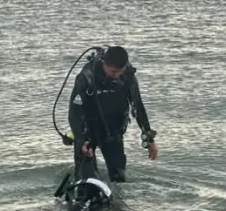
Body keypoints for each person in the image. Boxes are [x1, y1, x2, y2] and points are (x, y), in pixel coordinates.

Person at [67, 45, 159, 185]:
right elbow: (74, 113)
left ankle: (116, 206)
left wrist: (149, 139)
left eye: (119, 72)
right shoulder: (86, 77)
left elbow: (138, 107)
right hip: (87, 131)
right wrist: (80, 141)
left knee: (119, 179)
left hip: (113, 132)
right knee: (86, 182)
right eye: (113, 71)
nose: (116, 76)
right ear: (104, 64)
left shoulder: (127, 77)